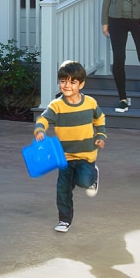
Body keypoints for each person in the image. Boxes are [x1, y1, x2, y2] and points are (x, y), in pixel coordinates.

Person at [35, 60, 106, 232]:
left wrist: (101, 135)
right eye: (63, 81)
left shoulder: (90, 103)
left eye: (72, 81)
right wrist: (40, 130)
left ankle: (92, 177)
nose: (67, 85)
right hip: (65, 157)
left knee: (84, 181)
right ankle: (64, 220)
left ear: (81, 84)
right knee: (63, 190)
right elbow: (43, 119)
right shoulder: (56, 105)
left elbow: (99, 119)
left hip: (86, 155)